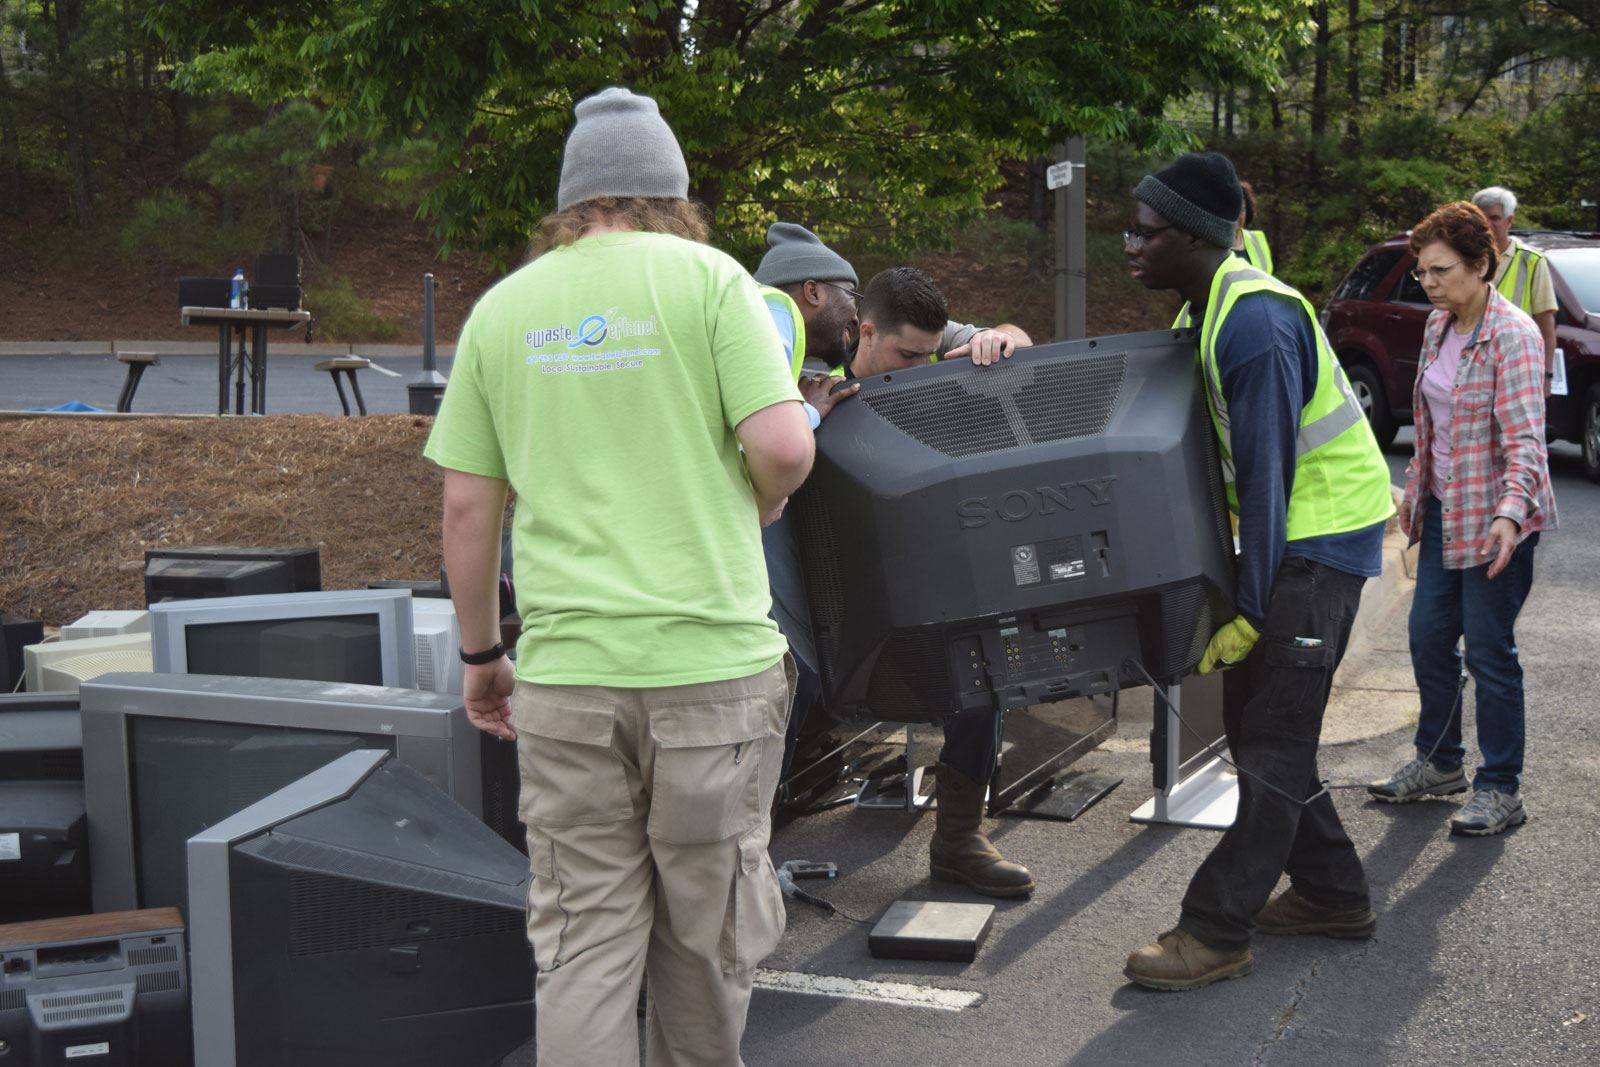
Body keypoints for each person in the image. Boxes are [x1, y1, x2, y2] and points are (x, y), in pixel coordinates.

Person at [423, 87, 813, 1064]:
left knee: (586, 941)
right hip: (712, 671)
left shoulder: (504, 309)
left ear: (571, 200)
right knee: (707, 930)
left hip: (567, 677)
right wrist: (759, 500)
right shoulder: (713, 282)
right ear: (670, 191)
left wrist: (481, 653)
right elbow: (784, 442)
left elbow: (468, 510)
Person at [1119, 152, 1395, 991]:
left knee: (1273, 739)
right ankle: (1332, 892)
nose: (1129, 244)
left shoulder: (1254, 322)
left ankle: (1214, 930)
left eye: (1146, 230)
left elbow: (1269, 477)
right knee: (1260, 728)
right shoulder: (1204, 311)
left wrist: (1249, 602)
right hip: (1291, 544)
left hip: (1318, 543)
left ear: (1195, 236)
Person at [829, 265, 1036, 898]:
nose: (920, 367)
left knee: (981, 663)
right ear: (864, 332)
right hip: (836, 567)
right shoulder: (812, 357)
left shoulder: (930, 342)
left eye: (931, 352)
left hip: (920, 557)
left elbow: (1021, 341)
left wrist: (997, 339)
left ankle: (958, 840)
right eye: (906, 355)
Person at [1367, 201, 1557, 836]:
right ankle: (1441, 763)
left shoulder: (1514, 334)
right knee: (1427, 638)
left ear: (1482, 265)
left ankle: (1501, 787)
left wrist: (1509, 515)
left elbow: (1529, 441)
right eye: (1422, 272)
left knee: (1490, 652)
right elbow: (1430, 428)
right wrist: (1413, 492)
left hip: (1499, 519)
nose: (1429, 283)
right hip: (1448, 509)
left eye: (1440, 270)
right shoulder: (1437, 328)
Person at [1471, 187, 1558, 380]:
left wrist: (1547, 373)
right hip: (1472, 362)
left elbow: (1545, 320)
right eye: (1481, 218)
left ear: (1509, 220)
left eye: (1494, 218)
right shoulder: (1465, 258)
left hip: (1517, 362)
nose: (1486, 224)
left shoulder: (1532, 260)